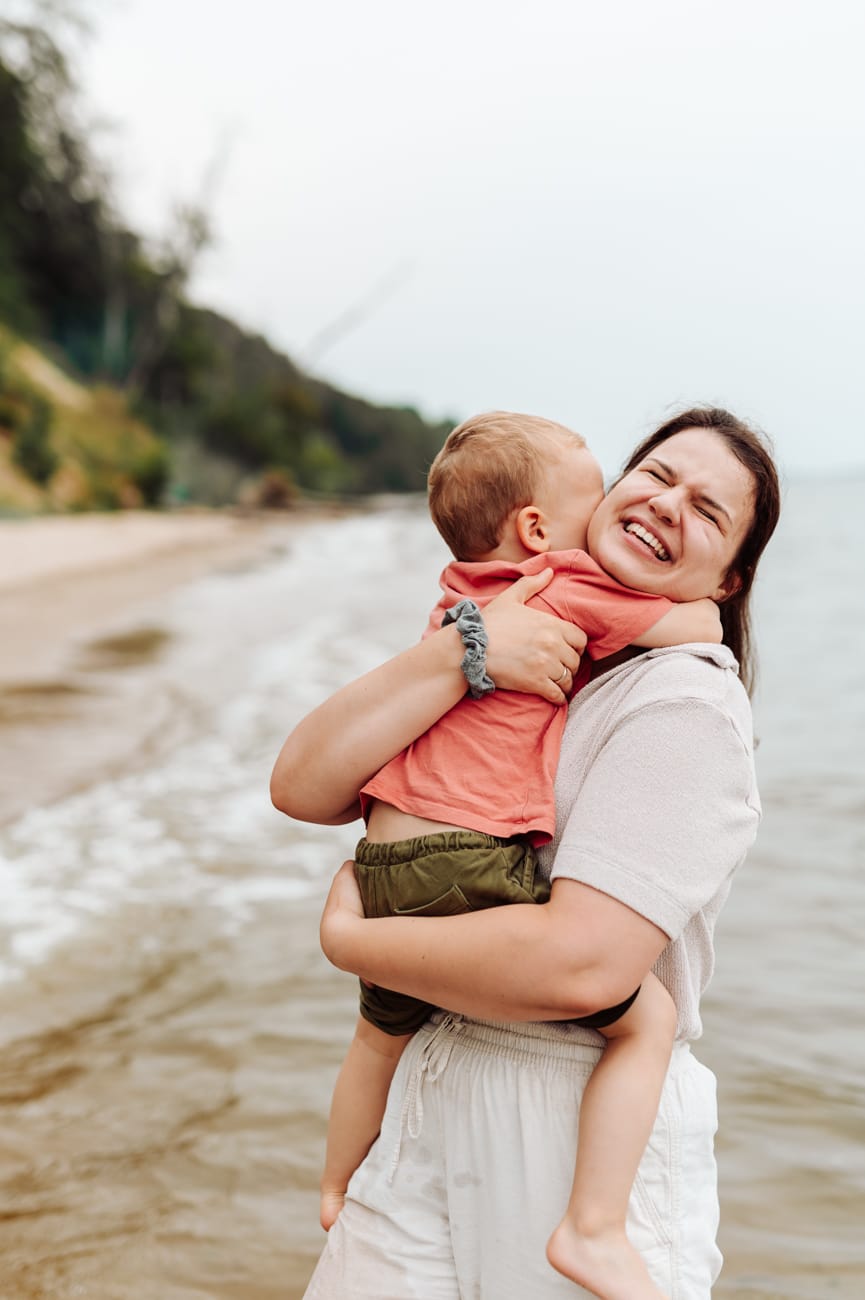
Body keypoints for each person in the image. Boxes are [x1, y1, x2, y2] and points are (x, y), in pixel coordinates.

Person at [271, 407, 781, 1299]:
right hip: (440, 1077)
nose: (669, 505)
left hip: (566, 1106)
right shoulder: (514, 641)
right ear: (600, 497)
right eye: (657, 475)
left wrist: (353, 946)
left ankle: (594, 1229)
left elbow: (582, 965)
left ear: (730, 578)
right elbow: (302, 786)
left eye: (707, 511)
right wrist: (463, 652)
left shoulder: (683, 701)